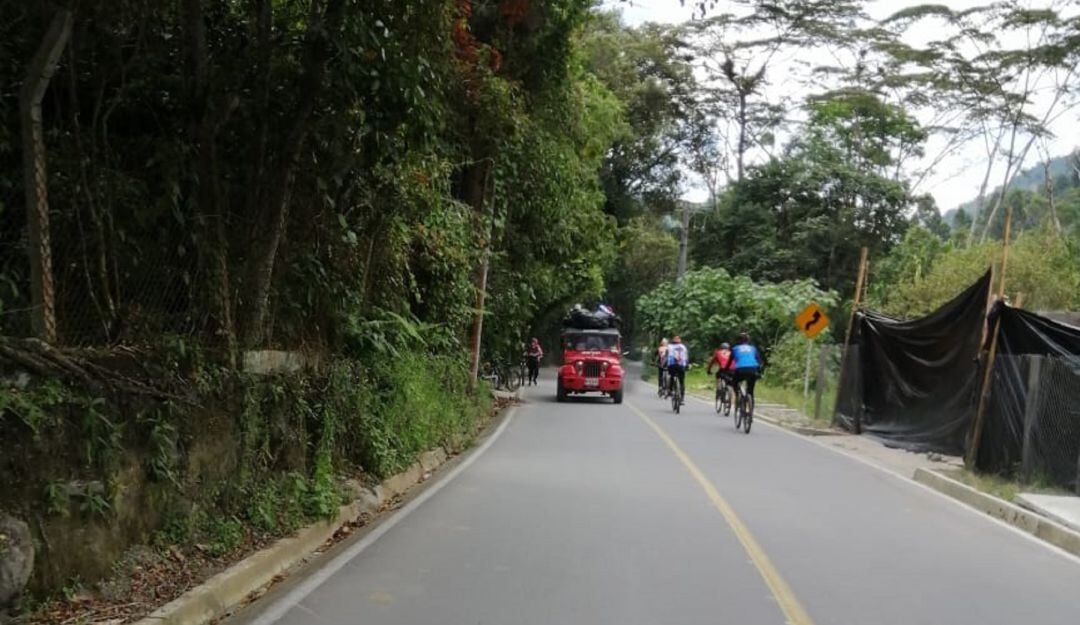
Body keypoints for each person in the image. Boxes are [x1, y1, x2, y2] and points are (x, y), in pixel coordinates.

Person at [730, 332, 763, 405]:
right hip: (752, 370)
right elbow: (759, 362)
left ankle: (738, 395)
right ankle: (751, 411)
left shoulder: (735, 348)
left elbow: (730, 362)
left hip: (740, 370)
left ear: (738, 341)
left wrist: (726, 369)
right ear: (748, 340)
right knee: (750, 391)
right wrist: (759, 372)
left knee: (734, 382)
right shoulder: (753, 348)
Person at [666, 335, 689, 405]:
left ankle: (670, 391)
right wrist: (687, 365)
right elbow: (686, 357)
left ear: (673, 341)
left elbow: (666, 356)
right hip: (681, 365)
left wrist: (664, 365)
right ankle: (682, 398)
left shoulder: (669, 346)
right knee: (682, 382)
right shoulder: (683, 347)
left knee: (671, 376)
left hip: (672, 365)